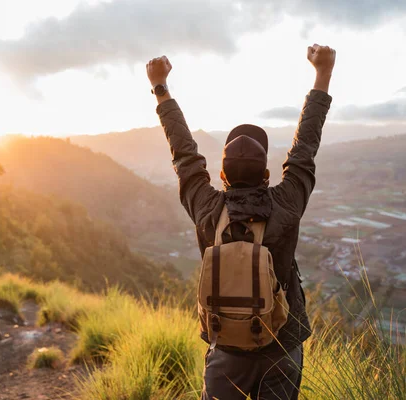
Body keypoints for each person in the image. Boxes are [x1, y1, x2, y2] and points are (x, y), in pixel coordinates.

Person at [147, 43, 335, 399]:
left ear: (220, 174)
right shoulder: (286, 204)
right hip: (282, 348)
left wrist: (161, 88)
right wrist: (322, 73)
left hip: (226, 350)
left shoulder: (206, 208)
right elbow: (305, 148)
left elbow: (184, 154)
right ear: (267, 174)